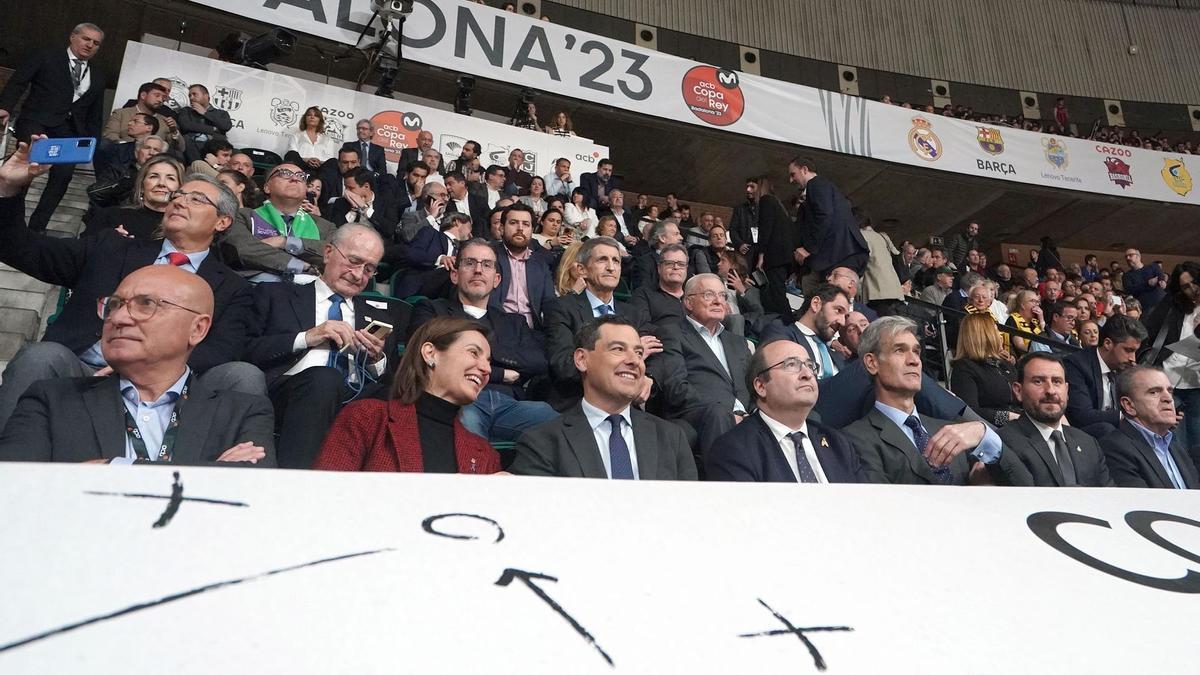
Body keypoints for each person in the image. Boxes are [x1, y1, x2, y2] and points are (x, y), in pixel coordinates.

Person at [0, 143, 260, 432]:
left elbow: (223, 350)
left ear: (222, 222)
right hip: (88, 371)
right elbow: (20, 248)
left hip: (169, 390)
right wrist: (7, 189)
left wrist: (152, 367)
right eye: (178, 195)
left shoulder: (232, 287)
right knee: (41, 356)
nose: (179, 201)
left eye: (196, 199)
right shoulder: (111, 247)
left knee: (242, 375)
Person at [0, 266, 275, 465]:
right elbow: (16, 492)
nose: (119, 318)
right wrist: (210, 474)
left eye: (147, 304)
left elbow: (248, 502)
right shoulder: (50, 398)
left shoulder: (244, 411)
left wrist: (112, 469)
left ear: (197, 329)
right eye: (114, 305)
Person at [246, 225, 403, 469]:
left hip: (355, 398)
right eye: (353, 261)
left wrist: (376, 359)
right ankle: (301, 482)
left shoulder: (379, 315)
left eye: (369, 269)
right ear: (328, 253)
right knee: (324, 378)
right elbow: (246, 349)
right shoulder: (277, 294)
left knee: (402, 399)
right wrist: (308, 337)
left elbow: (391, 381)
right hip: (290, 392)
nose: (358, 274)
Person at [844, 316, 1031, 485]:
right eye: (900, 350)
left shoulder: (954, 429)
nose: (914, 361)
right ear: (872, 363)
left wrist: (985, 435)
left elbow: (1026, 485)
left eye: (916, 352)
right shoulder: (854, 439)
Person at [511, 316, 696, 479]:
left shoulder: (672, 438)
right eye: (618, 349)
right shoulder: (543, 442)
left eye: (639, 353)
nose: (634, 361)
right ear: (582, 359)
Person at [410, 239, 557, 444]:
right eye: (470, 263)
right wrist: (502, 373)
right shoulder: (432, 310)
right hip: (457, 399)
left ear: (496, 280)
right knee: (465, 429)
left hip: (511, 405)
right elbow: (426, 354)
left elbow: (538, 361)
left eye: (487, 264)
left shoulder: (513, 321)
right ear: (454, 274)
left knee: (559, 426)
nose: (478, 270)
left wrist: (468, 353)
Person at [314, 317, 501, 473]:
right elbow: (326, 500)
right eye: (474, 353)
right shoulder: (367, 418)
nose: (486, 369)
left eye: (488, 361)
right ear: (430, 353)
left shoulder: (485, 454)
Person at [706, 338, 865, 483]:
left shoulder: (838, 443)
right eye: (791, 365)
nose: (807, 374)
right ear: (761, 386)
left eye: (810, 366)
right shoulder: (734, 448)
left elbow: (865, 506)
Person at [0, 23, 107, 231]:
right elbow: (18, 81)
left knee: (63, 175)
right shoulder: (46, 55)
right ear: (73, 37)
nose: (90, 45)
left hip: (69, 131)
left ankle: (36, 228)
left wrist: (92, 145)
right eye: (86, 39)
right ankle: (11, 221)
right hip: (36, 121)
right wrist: (4, 107)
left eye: (95, 43)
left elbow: (95, 114)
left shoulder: (99, 76)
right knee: (26, 171)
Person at [667, 273, 753, 459]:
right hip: (701, 415)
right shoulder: (671, 333)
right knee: (718, 414)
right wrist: (731, 415)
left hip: (745, 414)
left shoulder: (738, 342)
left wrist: (752, 413)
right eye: (708, 295)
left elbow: (755, 384)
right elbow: (676, 387)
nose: (718, 301)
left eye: (722, 295)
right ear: (689, 302)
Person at [998, 353, 1114, 487]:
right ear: (1018, 391)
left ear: (1067, 390)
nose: (1051, 391)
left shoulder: (1089, 443)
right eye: (1038, 381)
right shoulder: (1004, 443)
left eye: (1057, 381)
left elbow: (1109, 498)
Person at [222, 163, 337, 281]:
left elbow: (336, 254)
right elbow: (243, 249)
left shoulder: (325, 226)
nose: (294, 178)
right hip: (255, 289)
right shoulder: (242, 216)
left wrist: (284, 242)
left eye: (301, 176)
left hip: (309, 294)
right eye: (285, 174)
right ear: (267, 187)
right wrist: (303, 266)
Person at [1099, 366, 1200, 489]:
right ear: (1129, 405)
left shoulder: (1176, 447)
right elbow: (1142, 504)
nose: (1168, 398)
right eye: (1154, 392)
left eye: (1170, 391)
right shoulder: (1114, 448)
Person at [789, 157, 869, 296]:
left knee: (835, 300)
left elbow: (824, 215)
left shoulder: (816, 184)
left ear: (804, 170)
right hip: (836, 256)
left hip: (840, 255)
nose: (791, 180)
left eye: (793, 174)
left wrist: (808, 249)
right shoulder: (826, 188)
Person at [1063, 315, 1148, 438]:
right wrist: (1127, 416)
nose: (1133, 358)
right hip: (1082, 438)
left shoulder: (1124, 369)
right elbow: (1081, 416)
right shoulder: (1076, 364)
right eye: (1128, 350)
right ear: (1108, 343)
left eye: (1135, 352)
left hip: (1115, 436)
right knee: (1106, 429)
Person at [760, 284, 851, 380]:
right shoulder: (780, 334)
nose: (842, 322)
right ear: (816, 304)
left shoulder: (839, 357)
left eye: (845, 317)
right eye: (838, 310)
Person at [84, 155, 182, 240]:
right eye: (154, 176)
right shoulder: (110, 216)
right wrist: (106, 240)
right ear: (142, 185)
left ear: (180, 188)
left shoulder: (183, 227)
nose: (161, 183)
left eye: (170, 178)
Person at [491, 203, 556, 328]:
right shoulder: (488, 256)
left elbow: (550, 305)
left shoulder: (540, 264)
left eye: (526, 224)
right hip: (497, 328)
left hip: (532, 332)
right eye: (514, 223)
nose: (520, 228)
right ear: (501, 228)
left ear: (532, 231)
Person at [950, 313, 1019, 428]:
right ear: (984, 335)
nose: (1000, 336)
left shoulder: (1004, 364)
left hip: (1020, 426)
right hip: (993, 431)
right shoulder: (964, 368)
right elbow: (969, 411)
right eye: (996, 331)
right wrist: (1007, 417)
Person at [394, 212, 473, 299]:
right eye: (469, 227)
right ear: (457, 222)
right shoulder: (430, 233)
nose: (470, 234)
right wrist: (440, 259)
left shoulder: (463, 250)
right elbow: (412, 255)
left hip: (448, 290)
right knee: (454, 273)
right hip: (422, 285)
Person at [101, 82, 186, 157]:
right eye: (157, 95)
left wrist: (174, 131)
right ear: (143, 95)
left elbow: (180, 148)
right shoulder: (121, 113)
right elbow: (109, 135)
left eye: (163, 97)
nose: (161, 100)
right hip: (122, 156)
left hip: (153, 161)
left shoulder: (165, 121)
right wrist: (128, 146)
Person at [752, 175, 797, 315]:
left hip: (774, 257)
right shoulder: (779, 205)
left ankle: (787, 322)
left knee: (776, 293)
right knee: (778, 291)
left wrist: (761, 254)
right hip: (784, 257)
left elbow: (766, 229)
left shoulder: (766, 201)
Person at [629, 243, 690, 334]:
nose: (676, 267)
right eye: (669, 263)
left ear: (686, 269)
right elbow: (641, 327)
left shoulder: (695, 297)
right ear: (659, 268)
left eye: (681, 264)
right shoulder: (643, 295)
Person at [328, 167, 401, 241]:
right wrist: (352, 212)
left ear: (366, 186)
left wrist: (365, 209)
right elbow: (335, 231)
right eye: (346, 188)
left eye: (350, 188)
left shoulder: (387, 202)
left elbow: (389, 230)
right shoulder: (340, 202)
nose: (347, 192)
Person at [177, 84, 233, 163]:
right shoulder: (186, 111)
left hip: (215, 145)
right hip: (192, 146)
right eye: (189, 95)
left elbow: (226, 126)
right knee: (187, 138)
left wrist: (205, 113)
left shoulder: (221, 113)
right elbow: (185, 126)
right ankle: (198, 167)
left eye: (194, 94)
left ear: (206, 96)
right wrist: (213, 129)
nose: (191, 98)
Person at [630, 219, 683, 291]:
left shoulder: (683, 262)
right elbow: (643, 293)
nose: (681, 238)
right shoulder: (644, 263)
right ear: (662, 238)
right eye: (676, 234)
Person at [286, 106, 339, 171]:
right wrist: (307, 160)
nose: (312, 117)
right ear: (305, 118)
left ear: (320, 120)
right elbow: (292, 155)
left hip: (321, 169)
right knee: (291, 153)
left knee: (334, 161)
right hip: (301, 167)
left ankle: (318, 181)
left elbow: (329, 158)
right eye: (309, 115)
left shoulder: (328, 139)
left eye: (316, 115)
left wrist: (318, 161)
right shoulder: (296, 136)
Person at [1006, 289, 1044, 356]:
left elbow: (1046, 340)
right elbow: (1020, 346)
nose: (1036, 305)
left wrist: (1041, 321)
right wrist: (1037, 348)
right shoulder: (1013, 319)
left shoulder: (1035, 322)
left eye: (1037, 302)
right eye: (1033, 301)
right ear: (1022, 305)